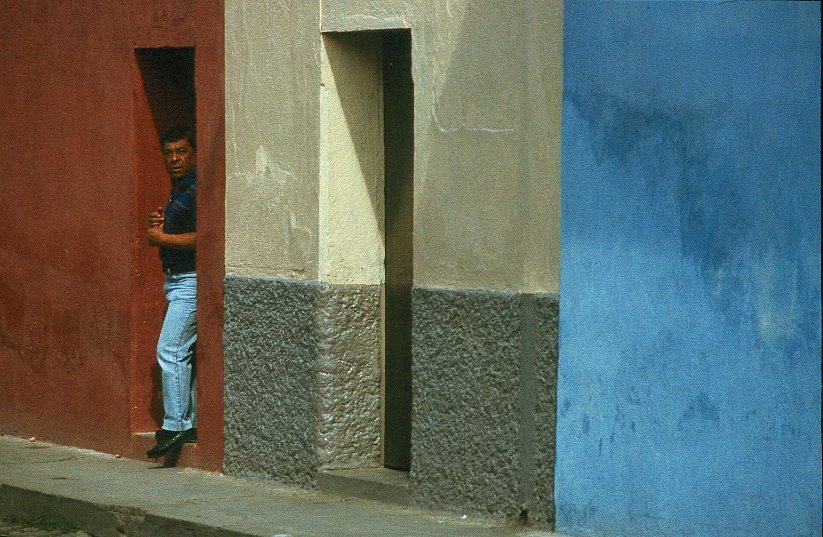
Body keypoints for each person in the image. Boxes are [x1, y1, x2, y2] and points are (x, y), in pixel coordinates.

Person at [146, 125, 198, 458]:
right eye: (169, 152)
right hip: (176, 280)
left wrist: (162, 238)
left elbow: (205, 237)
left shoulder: (196, 189)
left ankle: (176, 425)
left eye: (181, 151)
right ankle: (185, 421)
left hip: (190, 281)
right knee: (179, 351)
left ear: (193, 153)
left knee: (170, 349)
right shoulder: (180, 189)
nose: (175, 158)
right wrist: (163, 222)